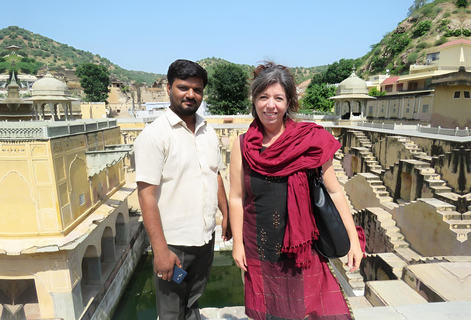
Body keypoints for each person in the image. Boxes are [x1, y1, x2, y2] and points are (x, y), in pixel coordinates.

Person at [229, 62, 364, 320]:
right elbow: (236, 198)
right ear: (254, 100)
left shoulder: (310, 140)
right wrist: (237, 244)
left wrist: (354, 240)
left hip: (304, 246)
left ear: (289, 101)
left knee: (319, 311)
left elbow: (335, 192)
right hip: (260, 246)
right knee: (271, 313)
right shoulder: (243, 145)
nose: (271, 105)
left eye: (278, 98)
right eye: (263, 97)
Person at [134, 59, 231, 320]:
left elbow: (215, 175)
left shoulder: (206, 131)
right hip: (174, 245)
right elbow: (146, 196)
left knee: (192, 303)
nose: (191, 94)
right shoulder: (155, 136)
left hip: (205, 240)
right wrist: (160, 251)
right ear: (169, 88)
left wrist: (226, 214)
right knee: (170, 312)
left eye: (197, 90)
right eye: (183, 87)